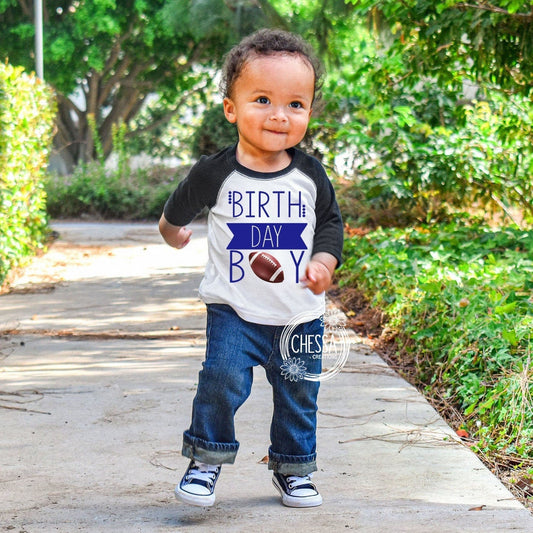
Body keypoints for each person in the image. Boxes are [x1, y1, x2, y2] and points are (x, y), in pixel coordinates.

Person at [159, 28, 343, 508]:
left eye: (295, 104)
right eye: (262, 99)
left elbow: (329, 224)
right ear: (231, 108)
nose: (279, 115)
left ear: (308, 111)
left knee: (299, 396)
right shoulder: (215, 173)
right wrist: (172, 232)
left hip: (299, 314)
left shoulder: (310, 175)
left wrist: (324, 261)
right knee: (219, 381)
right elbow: (175, 210)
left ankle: (294, 469)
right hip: (234, 311)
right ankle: (205, 461)